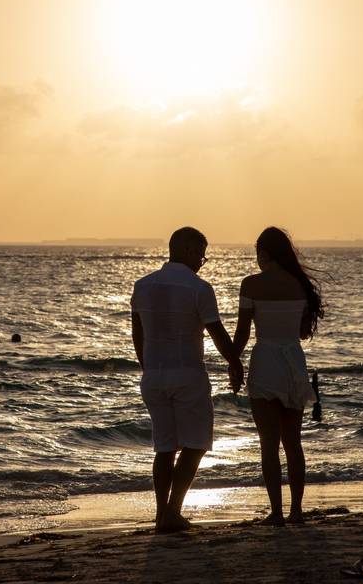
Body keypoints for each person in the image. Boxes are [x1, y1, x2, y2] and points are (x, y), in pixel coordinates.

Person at [130, 226, 244, 532]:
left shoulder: (142, 286)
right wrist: (235, 363)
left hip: (153, 376)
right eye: (201, 254)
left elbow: (137, 333)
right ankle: (172, 511)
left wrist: (148, 366)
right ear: (187, 250)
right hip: (188, 374)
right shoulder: (199, 288)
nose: (202, 261)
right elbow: (217, 334)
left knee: (164, 447)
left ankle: (161, 514)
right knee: (195, 444)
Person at [232, 227, 325, 525]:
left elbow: (243, 333)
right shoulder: (300, 285)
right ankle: (296, 510)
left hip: (266, 361)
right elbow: (300, 332)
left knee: (268, 444)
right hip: (294, 362)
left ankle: (276, 513)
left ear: (263, 252)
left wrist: (233, 362)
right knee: (293, 442)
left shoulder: (251, 284)